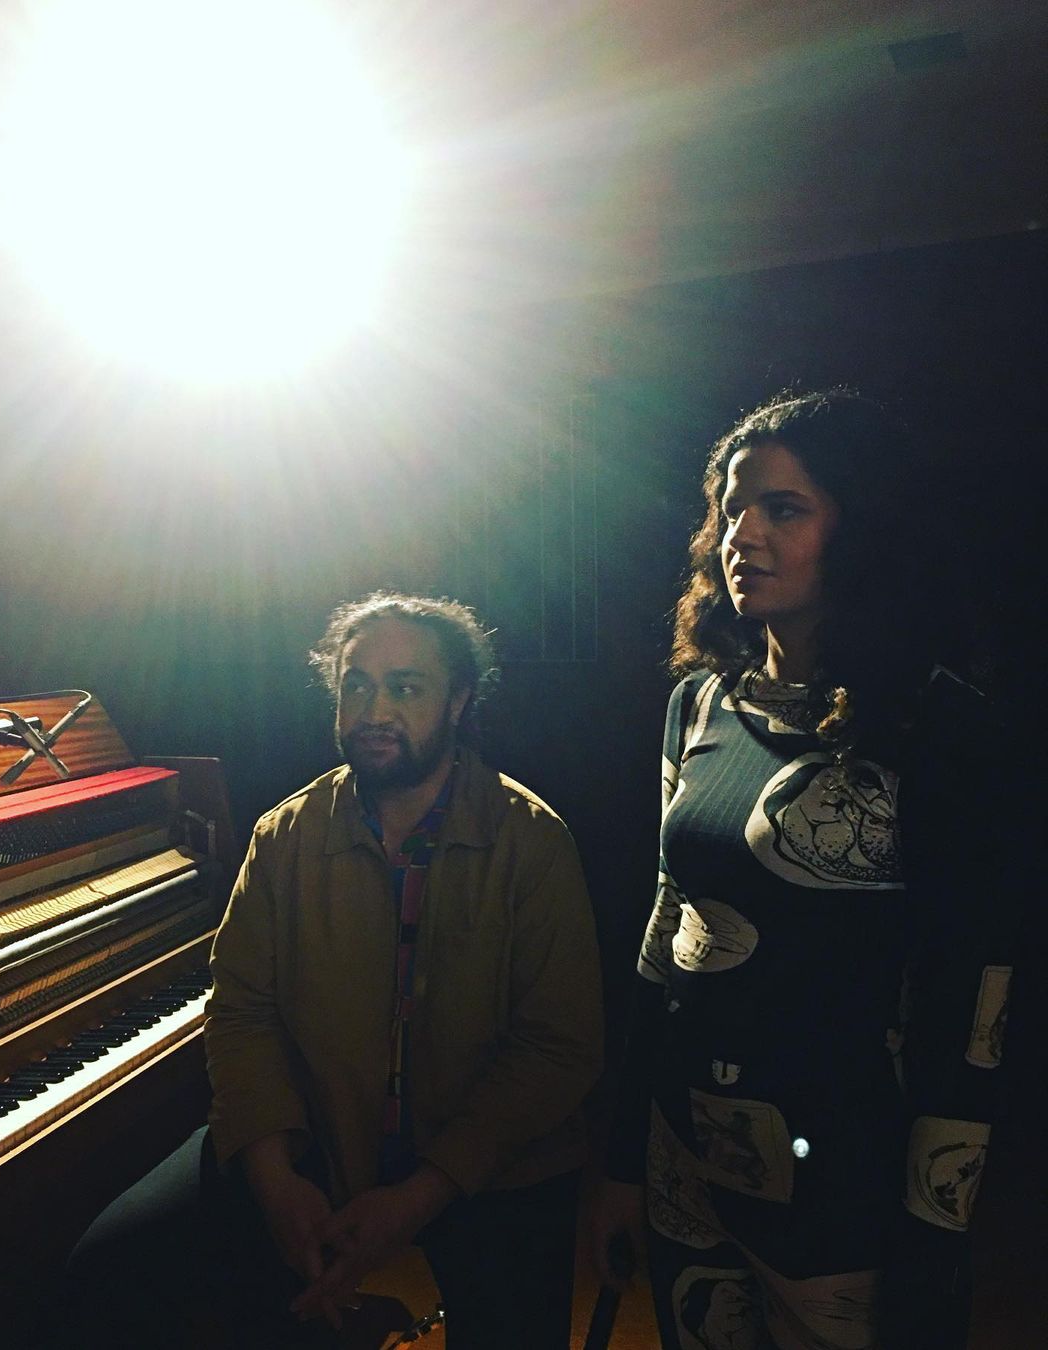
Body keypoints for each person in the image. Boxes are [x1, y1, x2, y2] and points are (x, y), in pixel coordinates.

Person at [591, 390, 1016, 1350]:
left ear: (864, 528)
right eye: (731, 509)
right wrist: (622, 1160)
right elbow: (665, 933)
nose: (742, 536)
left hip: (846, 1183)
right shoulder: (698, 706)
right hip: (685, 1162)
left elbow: (972, 1005)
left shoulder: (941, 727)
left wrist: (933, 1241)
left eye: (784, 509)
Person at [68, 591, 603, 1349]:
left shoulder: (532, 840)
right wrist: (274, 1180)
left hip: (488, 1164)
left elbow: (558, 1048)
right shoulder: (283, 836)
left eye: (405, 688)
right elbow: (242, 1012)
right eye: (357, 685)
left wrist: (419, 1195)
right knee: (109, 1265)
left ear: (458, 703)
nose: (374, 710)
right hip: (317, 1140)